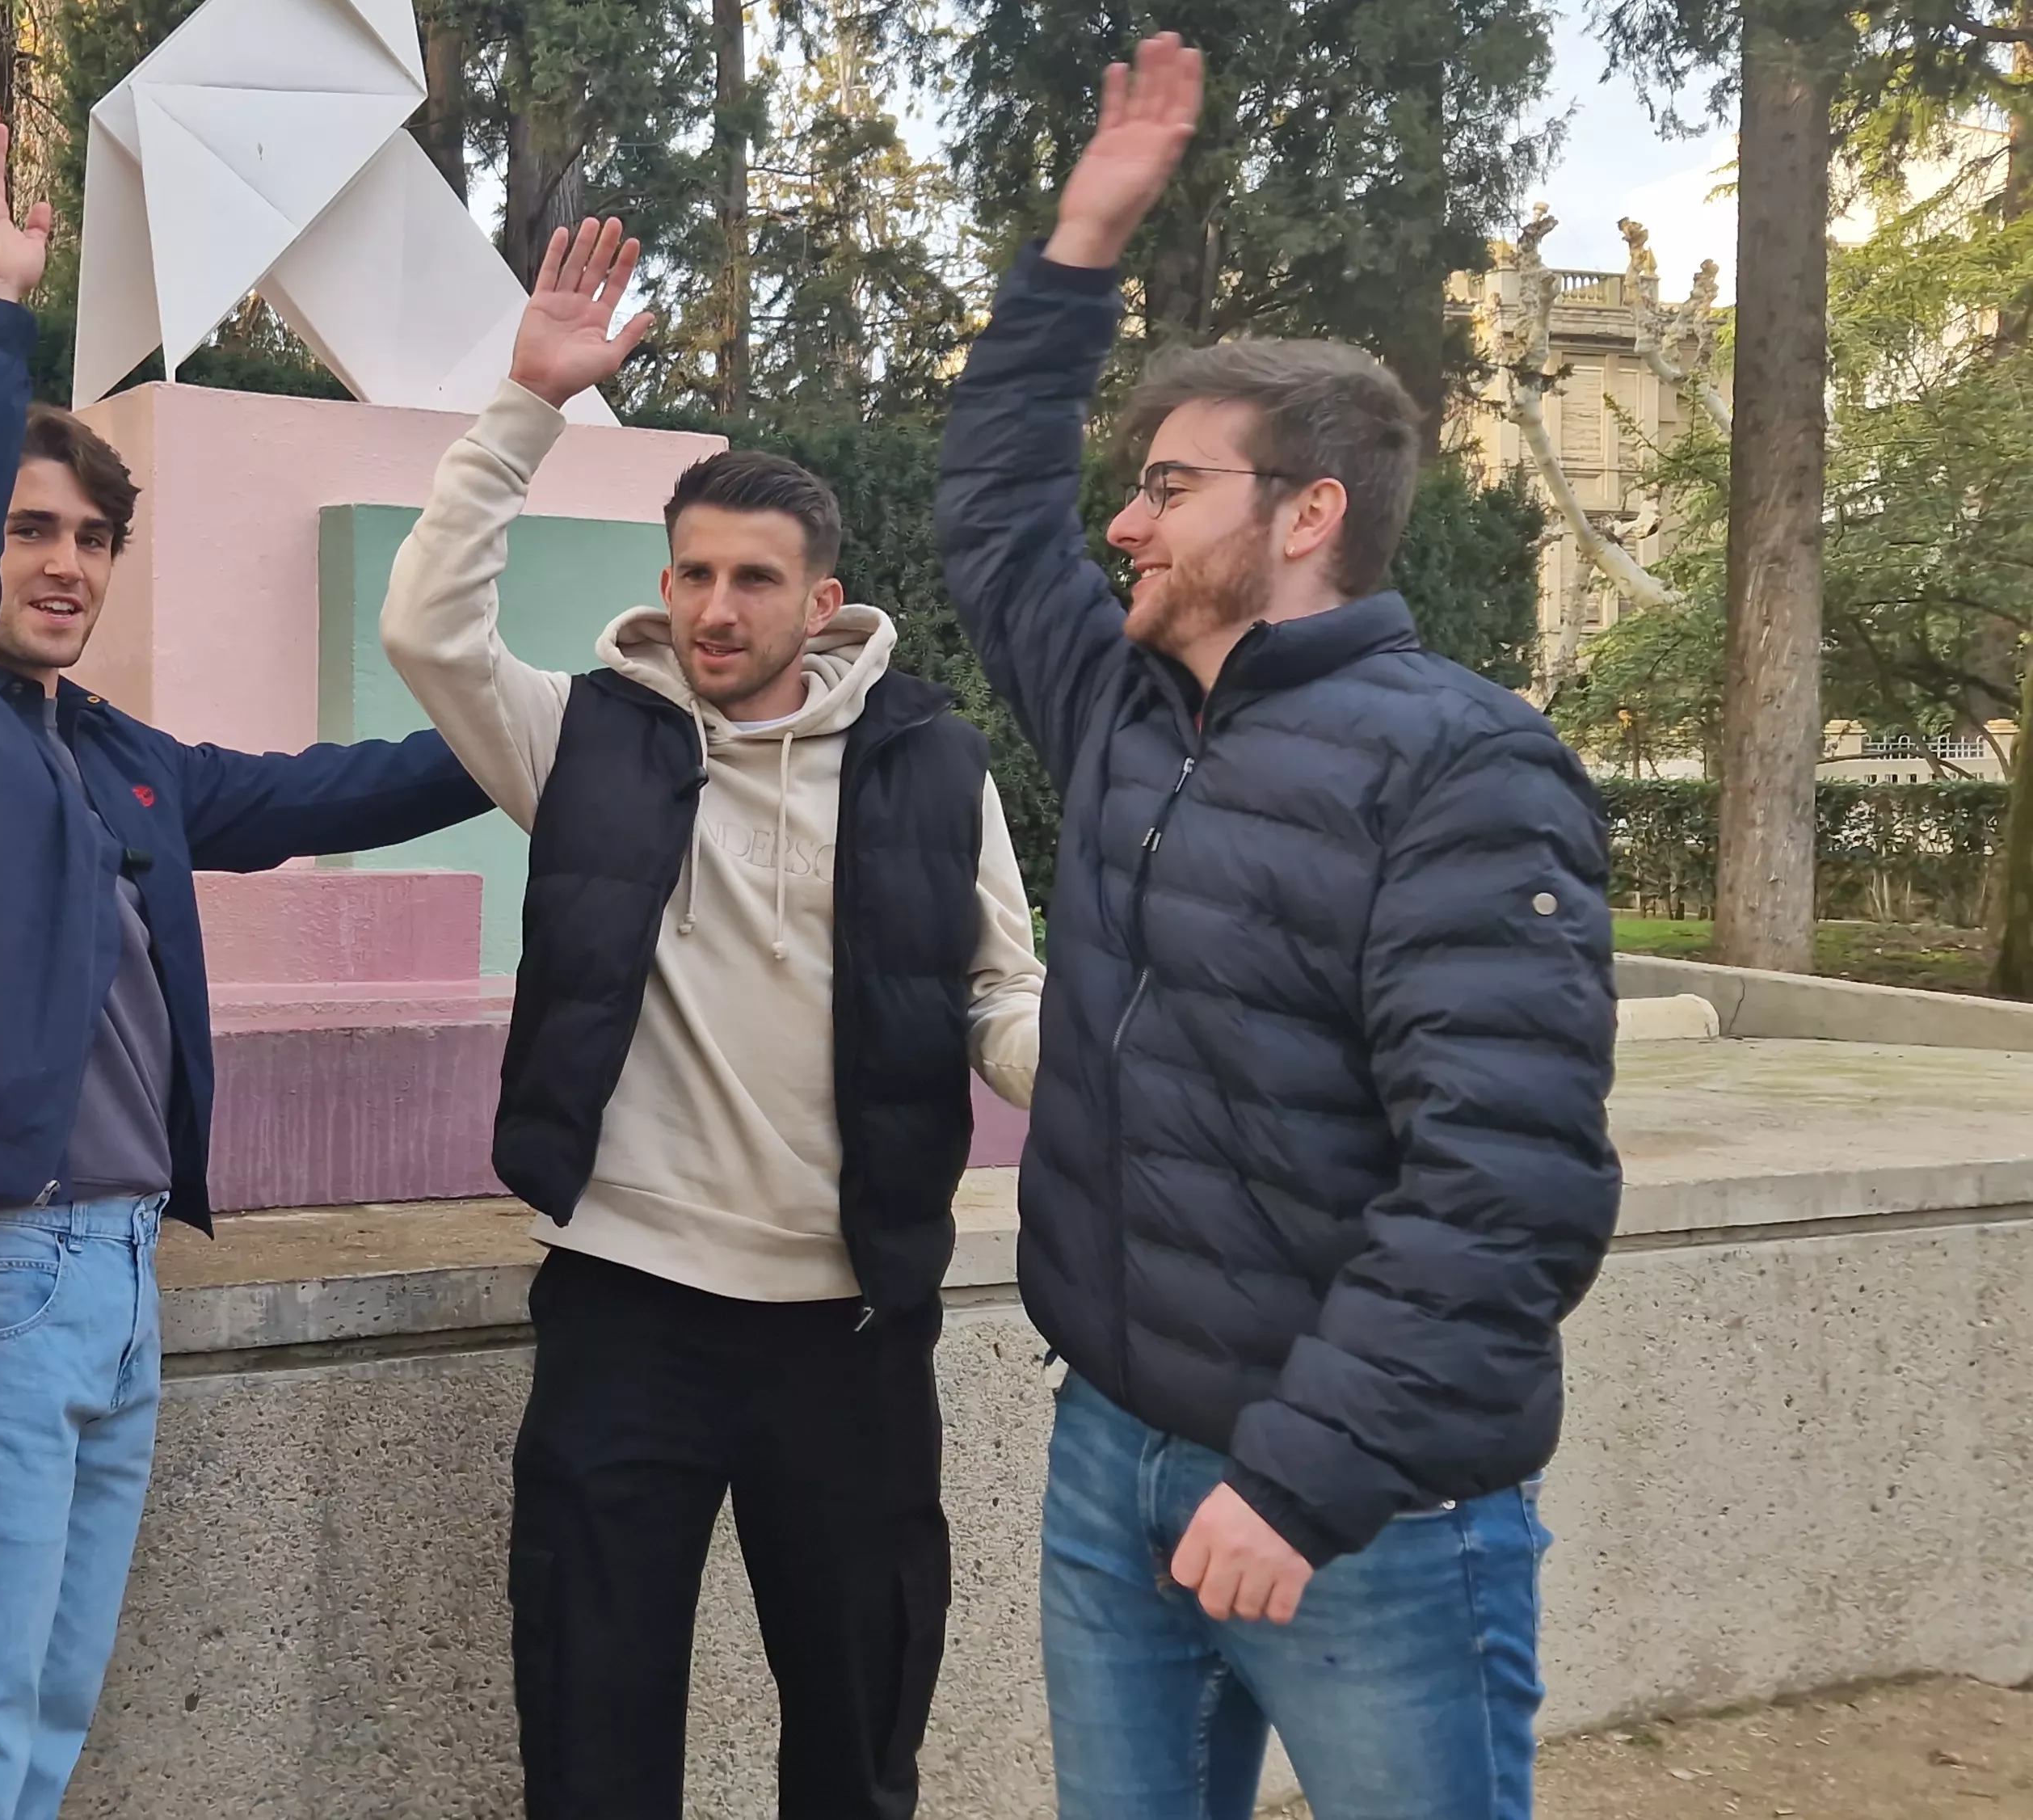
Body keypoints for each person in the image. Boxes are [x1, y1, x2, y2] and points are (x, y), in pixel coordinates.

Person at [932, 36, 1620, 1820]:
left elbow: (1504, 1186)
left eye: (1168, 484)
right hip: (1115, 1462)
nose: (1124, 517)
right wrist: (1078, 242)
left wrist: (1300, 1477)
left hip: (1361, 1520)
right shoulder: (1124, 710)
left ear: (1306, 515)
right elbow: (997, 520)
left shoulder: (1461, 767)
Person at [0, 103, 496, 1820]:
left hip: (119, 1279)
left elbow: (339, 786)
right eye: (36, 530)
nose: (61, 563)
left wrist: (547, 722)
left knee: (43, 1713)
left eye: (92, 538)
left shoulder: (113, 752)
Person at [379, 217, 1046, 1818]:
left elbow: (997, 992)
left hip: (849, 1326)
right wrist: (524, 407)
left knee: (855, 1728)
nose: (716, 607)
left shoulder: (928, 768)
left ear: (823, 599)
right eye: (692, 573)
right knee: (591, 1730)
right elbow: (428, 629)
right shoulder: (583, 743)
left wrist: (1113, 1087)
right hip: (627, 1306)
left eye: (754, 579)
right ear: (661, 580)